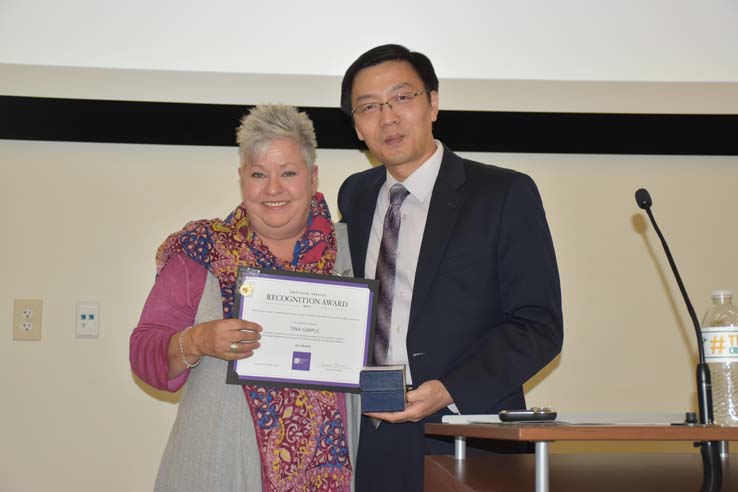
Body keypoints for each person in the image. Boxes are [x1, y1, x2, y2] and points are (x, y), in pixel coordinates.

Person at [337, 44, 564, 491]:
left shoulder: (504, 194)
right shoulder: (356, 196)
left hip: (464, 434)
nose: (387, 118)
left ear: (433, 103)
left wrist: (449, 389)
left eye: (401, 98)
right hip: (369, 439)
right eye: (368, 107)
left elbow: (539, 325)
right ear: (358, 127)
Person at [130, 104, 360, 492]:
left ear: (313, 176)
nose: (273, 189)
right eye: (258, 174)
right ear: (242, 179)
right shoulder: (200, 248)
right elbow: (144, 353)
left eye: (288, 172)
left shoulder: (354, 249)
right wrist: (199, 340)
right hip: (219, 472)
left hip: (337, 474)